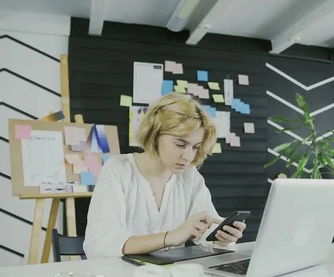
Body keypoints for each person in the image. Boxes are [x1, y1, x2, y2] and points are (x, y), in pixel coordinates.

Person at [83, 93, 246, 259]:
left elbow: (207, 233)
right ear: (155, 135)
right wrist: (170, 237)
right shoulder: (118, 170)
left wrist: (222, 238)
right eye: (180, 144)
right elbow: (99, 245)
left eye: (195, 147)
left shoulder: (190, 177)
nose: (188, 156)